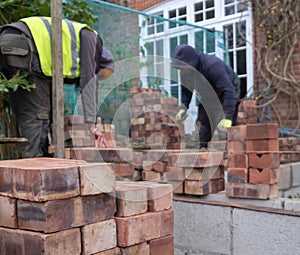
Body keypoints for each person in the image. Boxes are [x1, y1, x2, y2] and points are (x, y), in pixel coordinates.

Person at [0, 16, 114, 158]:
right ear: (102, 61)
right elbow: (88, 84)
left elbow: (50, 93)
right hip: (26, 46)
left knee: (29, 112)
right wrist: (92, 126)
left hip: (10, 41)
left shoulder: (69, 49)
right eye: (100, 74)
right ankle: (35, 169)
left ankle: (35, 164)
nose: (97, 75)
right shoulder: (91, 38)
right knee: (38, 115)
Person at [172, 44, 239, 149]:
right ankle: (202, 151)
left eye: (184, 68)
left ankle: (229, 154)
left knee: (223, 128)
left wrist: (228, 116)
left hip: (226, 89)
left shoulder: (212, 66)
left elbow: (228, 90)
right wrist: (184, 106)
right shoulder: (185, 71)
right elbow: (186, 90)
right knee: (203, 125)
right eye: (180, 68)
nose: (182, 71)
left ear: (192, 62)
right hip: (207, 94)